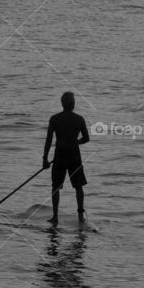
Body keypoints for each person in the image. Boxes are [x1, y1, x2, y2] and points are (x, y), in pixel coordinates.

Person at [43, 92, 89, 224]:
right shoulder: (79, 119)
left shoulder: (54, 119)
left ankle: (55, 217)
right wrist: (75, 142)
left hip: (60, 155)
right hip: (74, 155)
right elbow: (86, 138)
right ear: (73, 104)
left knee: (56, 187)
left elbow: (48, 140)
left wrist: (45, 158)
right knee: (78, 186)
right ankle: (80, 216)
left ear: (62, 104)